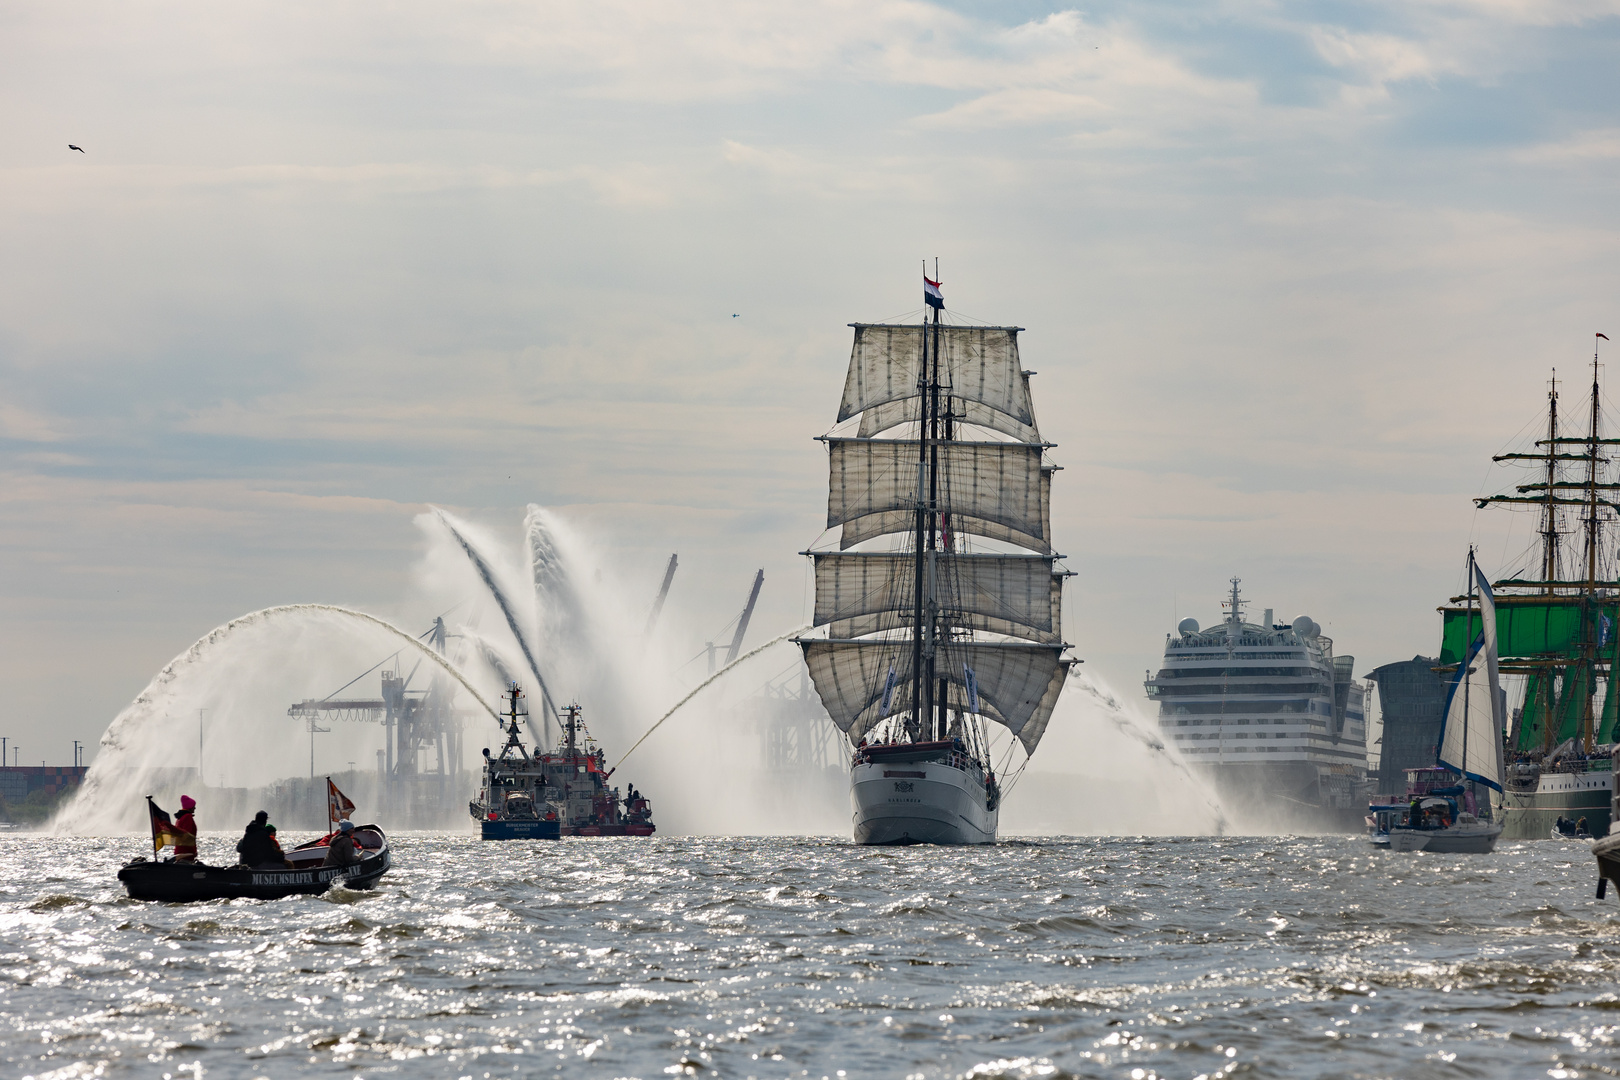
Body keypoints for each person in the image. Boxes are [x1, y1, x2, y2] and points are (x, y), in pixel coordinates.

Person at [174, 795, 198, 863]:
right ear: (190, 807)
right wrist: (193, 851)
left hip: (180, 850)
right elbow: (188, 835)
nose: (195, 808)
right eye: (193, 806)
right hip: (186, 852)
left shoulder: (180, 818)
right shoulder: (188, 817)